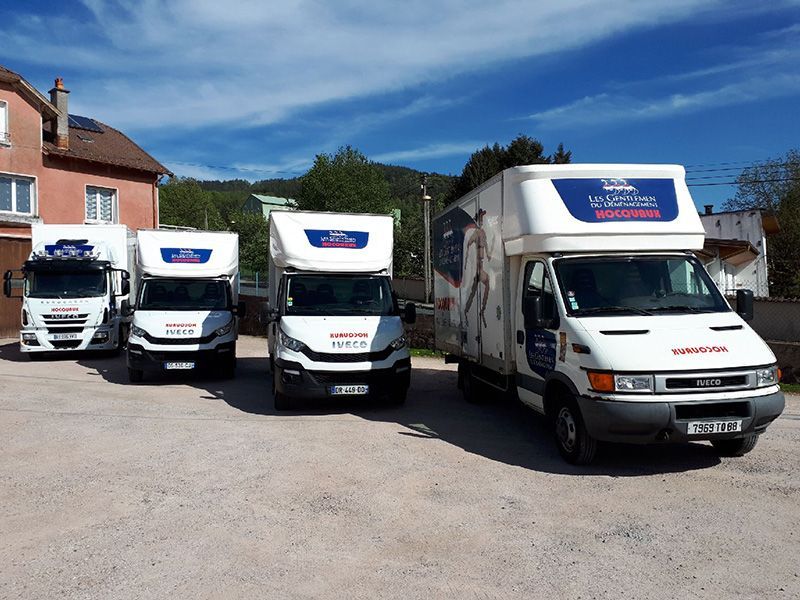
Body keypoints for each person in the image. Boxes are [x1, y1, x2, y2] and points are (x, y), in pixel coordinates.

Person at [464, 209, 491, 327]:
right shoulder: (476, 233)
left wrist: (489, 253)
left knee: (475, 291)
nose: (482, 221)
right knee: (476, 290)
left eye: (483, 219)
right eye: (480, 219)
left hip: (482, 265)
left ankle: (476, 310)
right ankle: (472, 311)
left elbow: (486, 244)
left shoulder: (483, 233)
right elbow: (468, 244)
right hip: (477, 268)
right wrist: (466, 261)